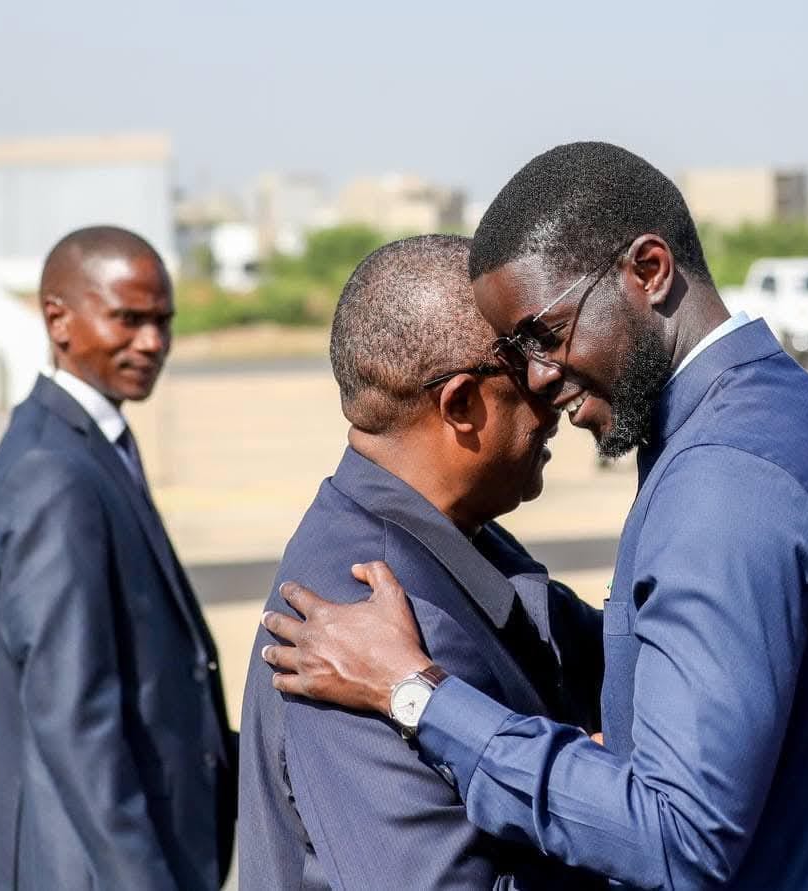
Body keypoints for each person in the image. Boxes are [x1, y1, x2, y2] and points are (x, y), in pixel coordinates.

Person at [261, 143, 808, 889]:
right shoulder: (794, 417)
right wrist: (598, 752)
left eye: (545, 334)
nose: (538, 376)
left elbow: (676, 837)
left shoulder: (721, 480)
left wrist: (419, 696)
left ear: (649, 270)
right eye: (517, 353)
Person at [239, 235, 606, 890]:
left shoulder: (459, 536)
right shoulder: (353, 615)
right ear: (461, 403)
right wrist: (602, 800)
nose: (555, 385)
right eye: (530, 362)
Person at [0, 226, 235, 891]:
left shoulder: (93, 443)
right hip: (91, 866)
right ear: (58, 318)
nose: (152, 342)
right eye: (128, 318)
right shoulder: (51, 471)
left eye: (163, 321)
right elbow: (73, 713)